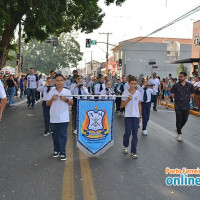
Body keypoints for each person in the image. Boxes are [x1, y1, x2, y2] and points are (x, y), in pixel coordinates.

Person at [46, 74, 73, 161]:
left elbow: (71, 102)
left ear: (64, 81)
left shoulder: (67, 91)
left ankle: (63, 152)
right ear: (54, 81)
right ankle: (56, 150)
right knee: (54, 135)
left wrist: (66, 100)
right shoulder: (51, 91)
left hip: (64, 118)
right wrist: (52, 99)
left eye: (61, 80)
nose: (59, 82)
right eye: (57, 80)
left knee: (62, 135)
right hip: (54, 117)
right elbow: (47, 104)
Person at [121, 76, 142, 159]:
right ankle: (125, 146)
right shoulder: (125, 93)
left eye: (135, 84)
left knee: (135, 134)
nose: (133, 85)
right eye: (131, 83)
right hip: (128, 116)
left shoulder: (138, 93)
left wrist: (140, 116)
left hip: (136, 116)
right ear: (128, 83)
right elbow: (122, 105)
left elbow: (139, 105)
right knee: (127, 133)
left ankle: (133, 152)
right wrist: (128, 100)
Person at [170, 72, 194, 142]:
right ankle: (179, 134)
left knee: (185, 119)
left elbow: (192, 94)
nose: (180, 78)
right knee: (179, 119)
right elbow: (172, 94)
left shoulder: (190, 85)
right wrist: (175, 96)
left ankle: (178, 128)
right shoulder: (175, 85)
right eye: (179, 76)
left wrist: (187, 97)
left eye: (181, 76)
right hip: (178, 105)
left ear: (185, 77)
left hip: (186, 105)